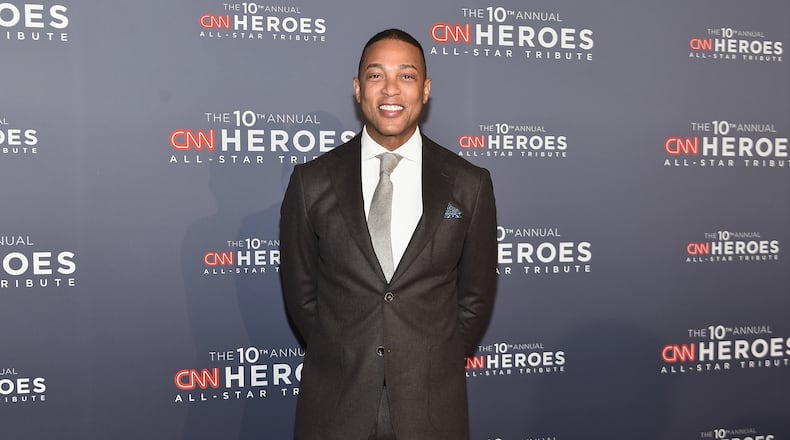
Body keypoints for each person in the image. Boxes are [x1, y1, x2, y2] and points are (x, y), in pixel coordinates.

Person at [280, 28, 497, 440]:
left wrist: (427, 356)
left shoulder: (469, 184)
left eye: (407, 76)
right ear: (358, 88)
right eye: (376, 76)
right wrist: (347, 347)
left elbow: (475, 298)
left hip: (432, 410)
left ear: (426, 89)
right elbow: (302, 297)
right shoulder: (311, 181)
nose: (391, 90)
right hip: (336, 407)